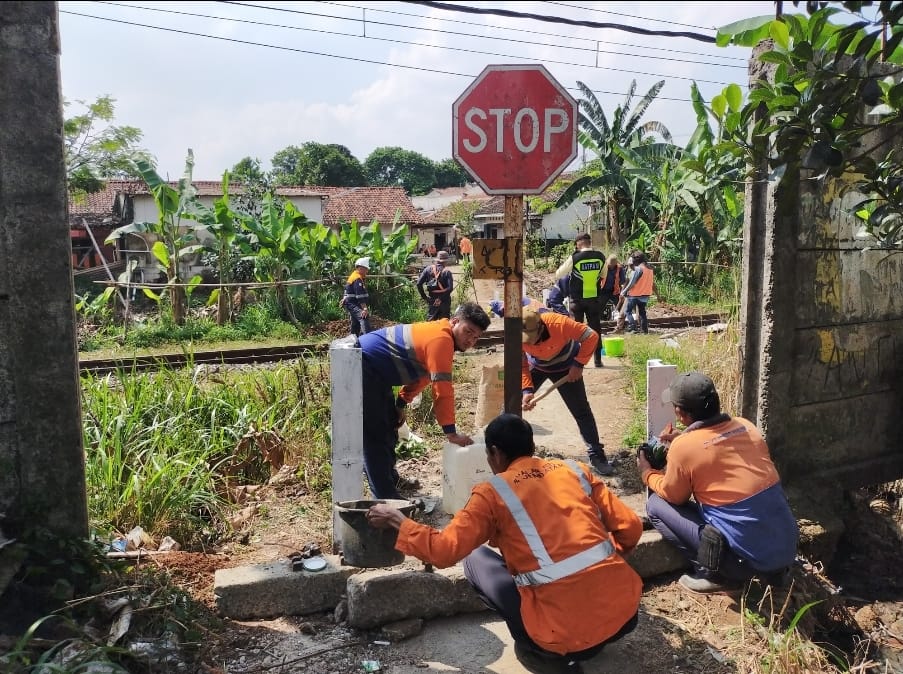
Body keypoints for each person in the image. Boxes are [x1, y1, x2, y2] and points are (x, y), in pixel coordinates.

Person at [367, 413, 642, 672]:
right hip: (624, 616)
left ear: (495, 453)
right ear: (532, 446)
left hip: (559, 637)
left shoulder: (492, 493)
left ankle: (547, 657)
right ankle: (590, 635)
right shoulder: (576, 471)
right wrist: (606, 564)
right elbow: (630, 527)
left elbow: (443, 551)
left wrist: (398, 521)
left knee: (474, 557)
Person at [638, 372, 800, 594]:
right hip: (786, 549)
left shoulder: (685, 447)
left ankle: (716, 575)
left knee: (656, 505)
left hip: (743, 565)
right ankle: (766, 573)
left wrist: (648, 473)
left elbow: (674, 496)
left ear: (680, 413)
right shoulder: (746, 426)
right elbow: (717, 449)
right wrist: (684, 439)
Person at [359, 302, 491, 499]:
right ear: (455, 322)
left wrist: (401, 403)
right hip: (363, 364)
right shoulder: (441, 339)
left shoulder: (442, 335)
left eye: (476, 336)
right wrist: (451, 433)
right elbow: (443, 390)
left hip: (377, 373)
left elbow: (424, 376)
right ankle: (386, 498)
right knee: (375, 435)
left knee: (389, 426)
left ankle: (390, 479)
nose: (471, 339)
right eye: (468, 331)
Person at [521, 305, 615, 476]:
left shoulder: (559, 323)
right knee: (510, 408)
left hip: (566, 366)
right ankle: (509, 454)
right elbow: (521, 364)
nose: (528, 341)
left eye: (531, 337)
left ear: (541, 327)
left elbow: (591, 336)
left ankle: (597, 456)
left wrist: (578, 364)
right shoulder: (515, 333)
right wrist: (526, 389)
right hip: (537, 366)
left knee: (581, 412)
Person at [555, 233, 607, 367]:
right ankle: (598, 360)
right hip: (594, 300)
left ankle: (575, 361)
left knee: (575, 331)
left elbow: (559, 274)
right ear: (589, 242)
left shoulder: (575, 257)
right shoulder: (600, 257)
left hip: (577, 300)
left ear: (578, 243)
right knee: (596, 330)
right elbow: (604, 274)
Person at [619, 250, 653, 334]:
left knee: (628, 311)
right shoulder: (650, 269)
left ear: (636, 260)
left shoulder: (638, 269)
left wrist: (624, 291)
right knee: (642, 312)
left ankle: (633, 328)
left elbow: (632, 282)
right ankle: (644, 330)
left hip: (635, 294)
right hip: (645, 294)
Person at [417, 250, 454, 321]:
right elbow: (450, 288)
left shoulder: (427, 269)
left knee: (430, 323)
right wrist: (440, 299)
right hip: (444, 301)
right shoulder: (447, 272)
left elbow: (419, 284)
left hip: (432, 300)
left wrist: (424, 297)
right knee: (444, 324)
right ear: (446, 261)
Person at [340, 256, 372, 337]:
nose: (367, 271)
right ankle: (368, 339)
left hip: (351, 303)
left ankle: (354, 339)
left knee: (356, 323)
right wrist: (364, 308)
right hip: (352, 303)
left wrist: (344, 297)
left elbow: (347, 288)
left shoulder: (355, 276)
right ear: (360, 268)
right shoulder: (357, 278)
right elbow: (359, 295)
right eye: (366, 269)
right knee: (363, 317)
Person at [599, 253, 627, 322]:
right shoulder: (603, 267)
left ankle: (623, 322)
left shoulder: (619, 269)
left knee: (620, 306)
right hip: (603, 290)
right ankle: (599, 321)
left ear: (615, 264)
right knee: (599, 306)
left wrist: (622, 292)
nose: (610, 266)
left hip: (614, 291)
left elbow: (623, 281)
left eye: (611, 265)